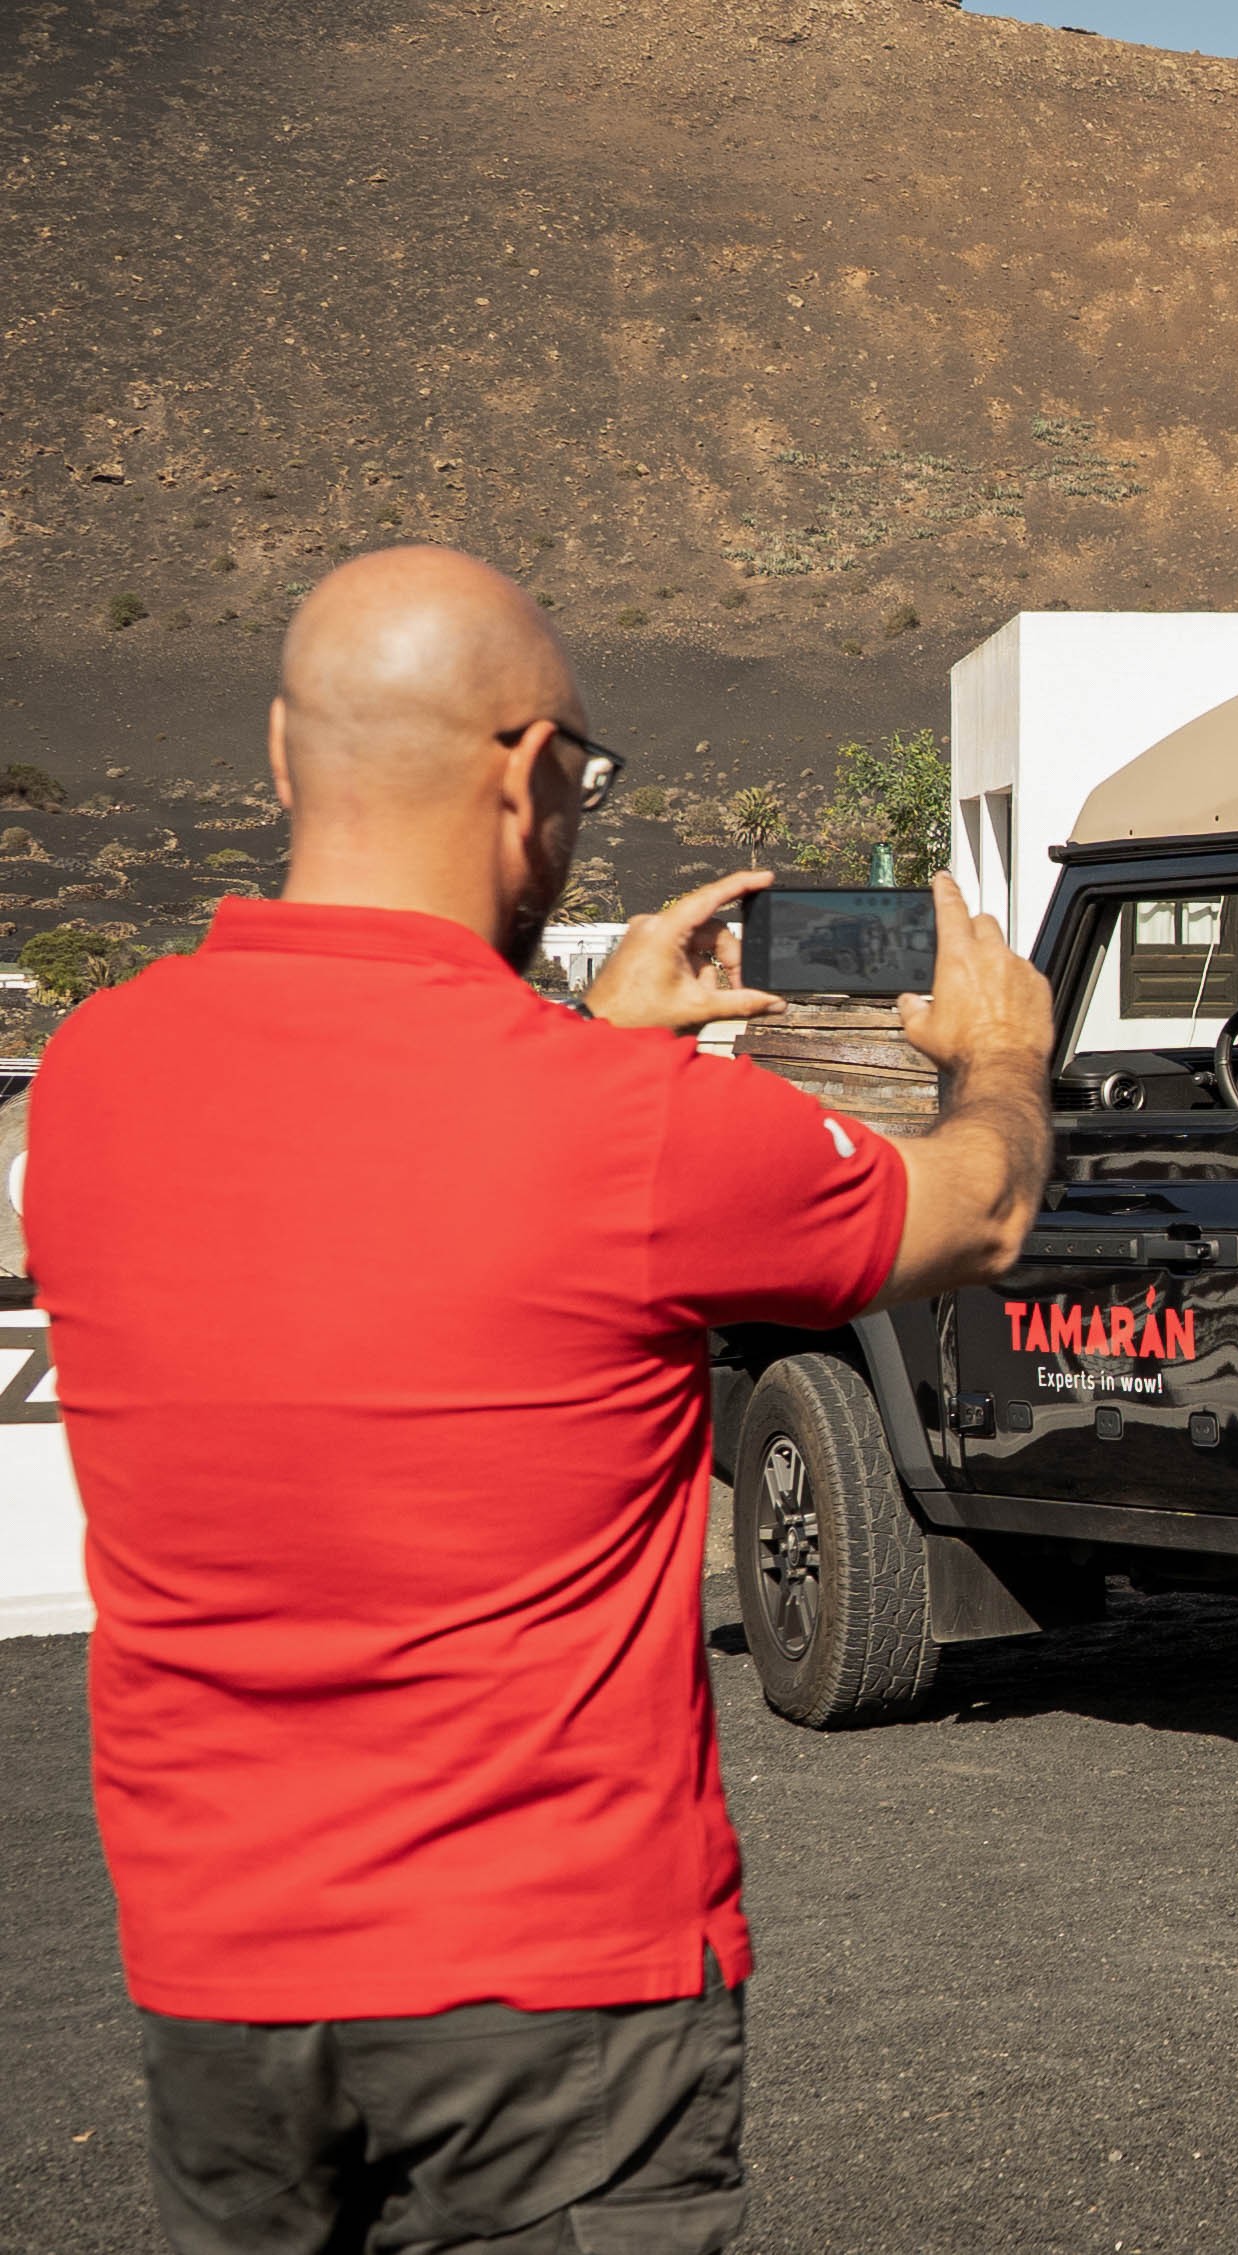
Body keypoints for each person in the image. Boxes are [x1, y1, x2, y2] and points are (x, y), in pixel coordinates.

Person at [23, 545, 1055, 2252]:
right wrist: (1002, 1057)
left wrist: (583, 1030)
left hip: (217, 1993)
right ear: (530, 776)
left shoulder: (95, 1082)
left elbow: (383, 1189)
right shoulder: (633, 1132)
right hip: (553, 1997)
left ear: (285, 757)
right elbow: (979, 1210)